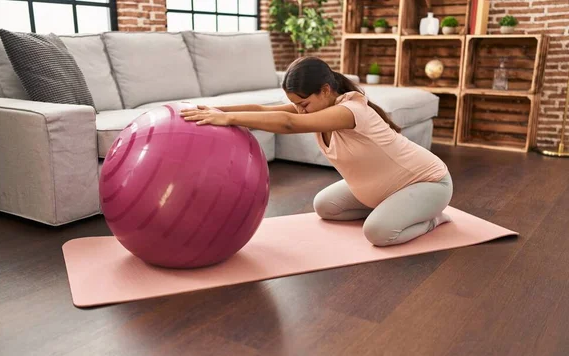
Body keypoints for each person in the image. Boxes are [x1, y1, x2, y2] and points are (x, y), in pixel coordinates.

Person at [180, 56, 453, 247]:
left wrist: (229, 121)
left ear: (325, 90)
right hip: (382, 189)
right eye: (295, 104)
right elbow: (265, 110)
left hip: (427, 182)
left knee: (378, 233)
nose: (300, 110)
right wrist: (215, 110)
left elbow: (289, 123)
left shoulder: (351, 111)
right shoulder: (318, 105)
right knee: (325, 207)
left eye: (304, 104)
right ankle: (395, 209)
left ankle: (432, 218)